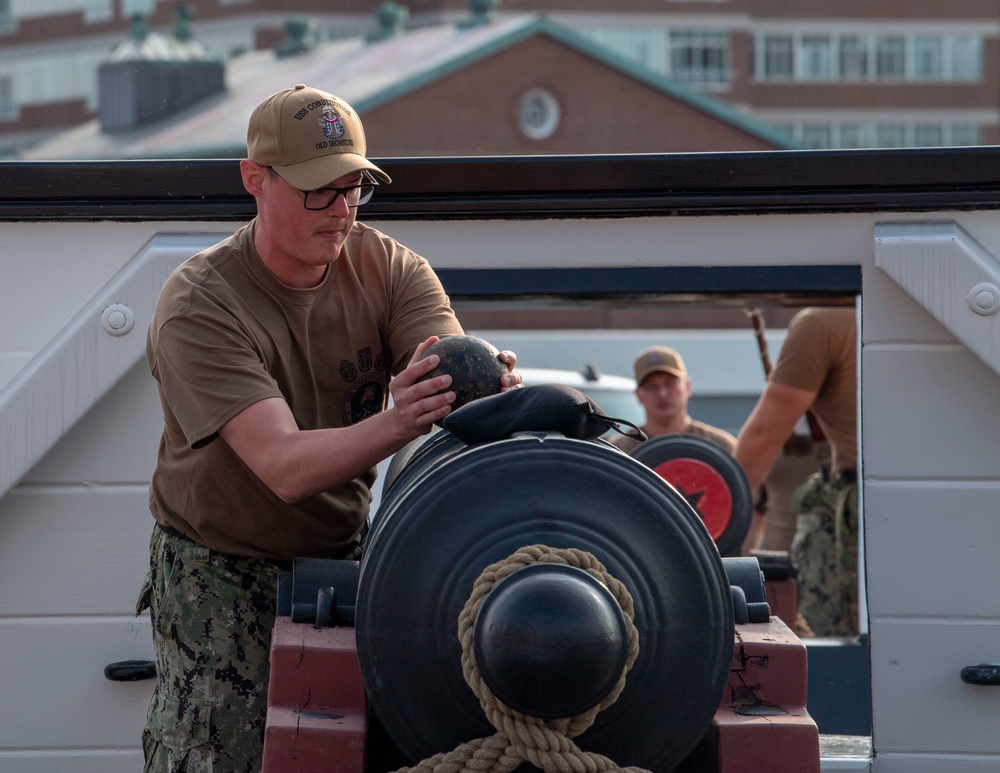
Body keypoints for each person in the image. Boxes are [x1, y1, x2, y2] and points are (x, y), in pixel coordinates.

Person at [134, 84, 520, 772]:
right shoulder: (201, 303)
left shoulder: (390, 268)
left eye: (353, 189)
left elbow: (449, 370)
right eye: (318, 191)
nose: (340, 211)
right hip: (224, 572)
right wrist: (402, 419)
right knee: (225, 755)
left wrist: (484, 388)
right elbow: (283, 467)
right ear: (255, 179)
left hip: (345, 556)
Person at [733, 306, 858, 637]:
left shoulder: (822, 324)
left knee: (827, 640)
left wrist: (704, 531)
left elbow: (762, 437)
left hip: (858, 510)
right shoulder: (870, 317)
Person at [606, 345, 736, 454]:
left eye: (670, 384)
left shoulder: (719, 447)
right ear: (638, 395)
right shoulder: (619, 452)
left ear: (687, 387)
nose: (662, 394)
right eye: (651, 387)